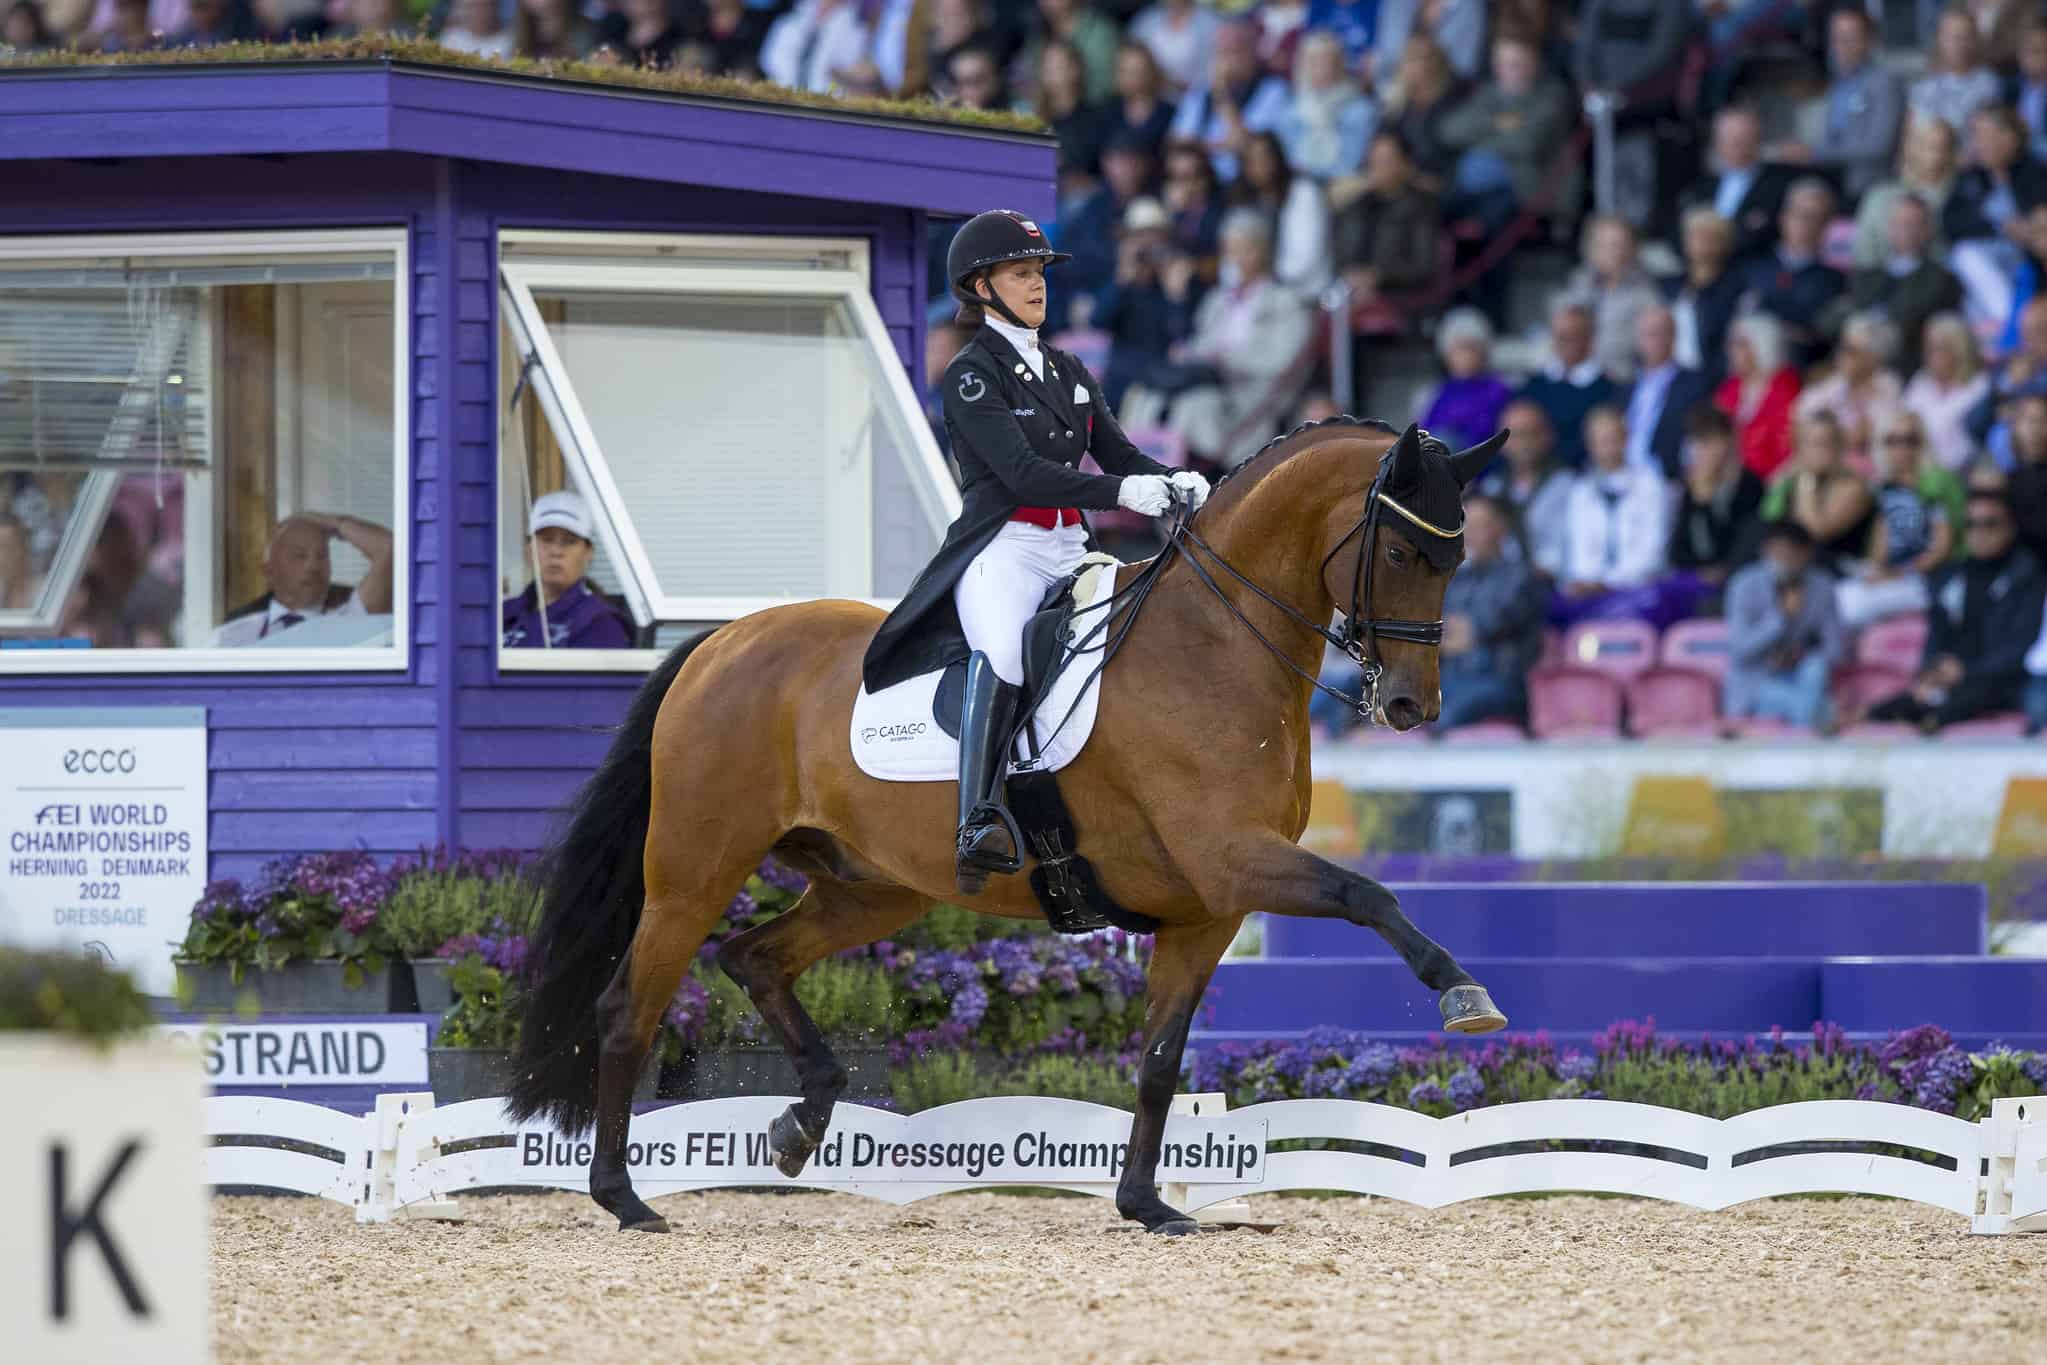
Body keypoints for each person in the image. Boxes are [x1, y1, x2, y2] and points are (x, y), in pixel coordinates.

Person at [861, 211, 1197, 891]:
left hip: (1069, 543)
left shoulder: (1066, 367)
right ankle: (977, 815)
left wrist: (1171, 482)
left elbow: (1117, 452)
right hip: (1004, 547)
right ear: (981, 285)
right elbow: (1023, 475)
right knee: (1007, 650)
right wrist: (1125, 493)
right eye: (1020, 273)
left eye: (1039, 271)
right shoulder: (971, 375)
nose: (1036, 284)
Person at [1864, 491, 2047, 730]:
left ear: (2010, 528)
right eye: (1971, 524)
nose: (1979, 533)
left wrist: (1966, 672)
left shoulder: (2028, 576)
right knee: (1900, 704)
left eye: (1989, 524)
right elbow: (1936, 634)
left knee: (1985, 698)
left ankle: (1932, 721)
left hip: (2006, 680)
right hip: (1955, 678)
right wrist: (1932, 671)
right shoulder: (1952, 576)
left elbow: (2021, 647)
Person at [1163, 209, 1315, 468]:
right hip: (1210, 381)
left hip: (1252, 390)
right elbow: (1203, 344)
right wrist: (1190, 353)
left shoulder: (1286, 302)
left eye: (1243, 250)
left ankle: (1186, 484)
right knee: (1148, 395)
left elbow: (1282, 363)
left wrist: (1224, 359)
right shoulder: (1218, 299)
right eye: (1229, 251)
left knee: (1190, 407)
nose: (1234, 259)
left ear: (1262, 252)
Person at [1436, 32, 1581, 235]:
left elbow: (1526, 143)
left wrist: (1476, 139)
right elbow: (1448, 132)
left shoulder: (1553, 96)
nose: (1510, 70)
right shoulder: (1488, 94)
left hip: (1522, 190)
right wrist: (1496, 123)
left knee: (1493, 223)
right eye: (1504, 63)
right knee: (1431, 210)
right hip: (1467, 190)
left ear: (1534, 63)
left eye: (1518, 63)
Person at [1835, 408, 1962, 630]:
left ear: (1921, 442)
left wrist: (1897, 575)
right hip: (1896, 575)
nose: (1901, 448)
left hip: (1928, 578)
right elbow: (1881, 540)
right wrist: (1876, 571)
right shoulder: (1885, 486)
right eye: (1893, 440)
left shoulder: (1935, 482)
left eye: (1909, 440)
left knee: (1849, 606)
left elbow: (1941, 547)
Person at [1766, 7, 1905, 201]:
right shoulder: (1836, 83)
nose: (1842, 46)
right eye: (1837, 38)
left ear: (1869, 40)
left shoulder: (1884, 83)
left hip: (1864, 185)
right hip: (1828, 177)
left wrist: (1814, 154)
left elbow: (1878, 146)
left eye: (1851, 38)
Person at [1435, 495, 1547, 731]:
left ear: (1500, 529)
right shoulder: (1455, 581)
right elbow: (1439, 633)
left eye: (1480, 526)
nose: (1471, 535)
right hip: (1451, 680)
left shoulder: (1520, 578)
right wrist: (1455, 636)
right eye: (1467, 527)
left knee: (1444, 715)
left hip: (1501, 682)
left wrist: (1461, 635)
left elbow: (1489, 624)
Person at [1552, 406, 1672, 626]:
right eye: (1600, 440)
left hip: (1636, 588)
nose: (1607, 447)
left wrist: (1607, 583)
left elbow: (1653, 553)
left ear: (1626, 439)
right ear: (1590, 445)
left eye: (1613, 438)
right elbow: (1577, 551)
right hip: (1589, 591)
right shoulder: (1580, 491)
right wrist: (1586, 582)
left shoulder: (1651, 486)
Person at [1723, 520, 1846, 732]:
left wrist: (1800, 656)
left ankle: (1813, 724)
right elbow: (1740, 649)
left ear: (1808, 554)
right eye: (1779, 554)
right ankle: (1816, 725)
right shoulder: (1745, 584)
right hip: (1757, 683)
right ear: (1766, 551)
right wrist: (1780, 617)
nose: (1785, 562)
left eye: (1793, 555)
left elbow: (1836, 650)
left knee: (1815, 668)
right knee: (1812, 708)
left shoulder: (1822, 586)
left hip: (1803, 678)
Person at [214, 511, 395, 646]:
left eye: (322, 556)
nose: (314, 566)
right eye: (300, 556)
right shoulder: (232, 636)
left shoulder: (350, 620)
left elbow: (388, 548)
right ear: (269, 571)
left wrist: (332, 523)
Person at [1832, 196, 1960, 379]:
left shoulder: (1941, 278)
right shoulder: (1866, 275)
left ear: (1928, 230)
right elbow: (1844, 309)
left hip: (1902, 347)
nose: (1906, 230)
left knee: (1861, 331)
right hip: (1856, 340)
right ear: (1890, 228)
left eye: (1914, 224)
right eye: (1900, 223)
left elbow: (1919, 316)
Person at [1944, 104, 2047, 331]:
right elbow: (1950, 222)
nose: (1976, 145)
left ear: (2009, 138)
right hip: (1986, 266)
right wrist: (2000, 226)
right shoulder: (1971, 176)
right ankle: (2009, 321)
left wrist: (2028, 230)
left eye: (1982, 136)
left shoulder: (2036, 172)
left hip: (2028, 261)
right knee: (1964, 255)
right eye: (1974, 136)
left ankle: (2011, 325)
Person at [1329, 130, 1441, 321]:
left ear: (1406, 164)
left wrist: (1378, 277)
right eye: (1374, 160)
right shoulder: (1356, 207)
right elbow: (1338, 252)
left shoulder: (1421, 209)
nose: (1378, 168)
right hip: (1350, 292)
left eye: (1386, 161)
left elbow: (1424, 266)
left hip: (1397, 297)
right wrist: (1350, 275)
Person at [501, 491, 633, 650]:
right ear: (529, 549)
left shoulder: (601, 623)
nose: (556, 551)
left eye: (569, 542)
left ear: (588, 553)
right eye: (547, 540)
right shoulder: (502, 614)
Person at [1167, 20, 1289, 183]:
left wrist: (1221, 93)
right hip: (1203, 184)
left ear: (1252, 51)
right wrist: (1219, 146)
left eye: (1236, 50)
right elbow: (1178, 144)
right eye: (1222, 52)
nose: (1228, 60)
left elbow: (1246, 146)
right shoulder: (1200, 93)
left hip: (1248, 183)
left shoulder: (1273, 90)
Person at [1744, 178, 1846, 367]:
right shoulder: (1753, 269)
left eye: (1818, 218)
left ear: (1826, 227)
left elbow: (1819, 335)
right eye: (1801, 214)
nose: (1807, 225)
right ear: (1784, 217)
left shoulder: (1835, 281)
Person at [1668, 403, 1766, 595]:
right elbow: (1677, 551)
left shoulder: (1749, 486)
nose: (1704, 452)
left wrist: (1705, 503)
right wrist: (1699, 501)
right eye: (1698, 443)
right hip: (1693, 577)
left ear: (1728, 441)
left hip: (1734, 580)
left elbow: (1735, 545)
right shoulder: (1692, 487)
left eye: (1710, 441)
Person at [1761, 410, 1875, 572]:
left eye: (1824, 443)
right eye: (1811, 443)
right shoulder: (1790, 482)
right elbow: (1768, 520)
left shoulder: (1854, 487)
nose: (1818, 451)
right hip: (1797, 572)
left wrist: (1807, 480)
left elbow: (1815, 533)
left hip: (1842, 573)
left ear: (1839, 447)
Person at [1684, 106, 1795, 262]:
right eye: (1729, 138)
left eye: (1743, 138)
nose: (1736, 145)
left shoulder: (1779, 184)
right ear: (1717, 142)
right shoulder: (1701, 187)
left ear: (1757, 139)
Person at [1479, 398, 1573, 579]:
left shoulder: (1569, 485)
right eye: (1516, 435)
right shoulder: (1492, 489)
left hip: (1554, 585)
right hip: (1500, 586)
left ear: (1548, 436)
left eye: (1532, 433)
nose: (1524, 443)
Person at [1562, 216, 1663, 383]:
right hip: (1574, 377)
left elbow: (1647, 351)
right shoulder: (1579, 283)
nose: (1612, 252)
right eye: (1602, 245)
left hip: (1618, 380)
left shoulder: (1647, 296)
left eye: (1618, 245)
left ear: (1633, 249)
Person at [1850, 117, 1959, 272]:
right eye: (1925, 144)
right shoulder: (1880, 196)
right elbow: (1864, 252)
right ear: (1910, 147)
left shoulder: (1961, 195)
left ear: (1953, 152)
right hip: (1880, 281)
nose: (1934, 153)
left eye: (1942, 146)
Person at [1520, 300, 1619, 470]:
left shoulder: (1608, 390)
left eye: (1574, 336)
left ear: (1590, 339)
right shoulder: (1533, 386)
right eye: (1561, 336)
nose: (1565, 343)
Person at [1796, 311, 1903, 463]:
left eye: (1851, 351)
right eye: (1842, 348)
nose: (1842, 356)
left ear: (1873, 358)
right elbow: (1801, 419)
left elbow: (1862, 437)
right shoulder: (1833, 383)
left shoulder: (1888, 387)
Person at [1231, 131, 1332, 294]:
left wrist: (1268, 283)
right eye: (1251, 160)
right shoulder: (1242, 202)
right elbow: (1232, 259)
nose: (1259, 165)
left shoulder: (1304, 193)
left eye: (1264, 158)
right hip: (1256, 294)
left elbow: (1305, 258)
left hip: (1303, 292)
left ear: (1278, 158)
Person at [1623, 305, 1713, 477]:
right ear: (1638, 339)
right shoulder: (1625, 387)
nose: (1656, 341)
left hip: (1666, 479)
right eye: (1649, 334)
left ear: (1673, 337)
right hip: (1623, 476)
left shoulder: (1694, 385)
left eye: (1661, 333)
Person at [1277, 29, 1376, 184]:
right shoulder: (1290, 112)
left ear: (1340, 65)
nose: (1323, 69)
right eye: (1314, 62)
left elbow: (1355, 161)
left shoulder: (1361, 110)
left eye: (1328, 61)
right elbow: (1286, 160)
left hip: (1344, 186)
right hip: (1300, 186)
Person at [1716, 312, 1802, 480]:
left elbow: (1788, 445)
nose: (1731, 351)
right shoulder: (1729, 389)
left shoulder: (1786, 387)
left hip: (1772, 480)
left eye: (1740, 345)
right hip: (1731, 481)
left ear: (1761, 346)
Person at [1903, 312, 1993, 471]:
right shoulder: (1920, 382)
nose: (1930, 354)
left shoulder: (1978, 386)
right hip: (1914, 468)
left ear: (1959, 350)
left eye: (1939, 348)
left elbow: (1968, 444)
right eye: (1928, 347)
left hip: (1960, 471)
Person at [1668, 208, 1746, 387]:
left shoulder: (1733, 288)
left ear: (1724, 242)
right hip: (1669, 376)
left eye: (1708, 236)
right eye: (1694, 235)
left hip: (1708, 378)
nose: (1700, 242)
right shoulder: (1671, 284)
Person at [1418, 308, 1513, 454]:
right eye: (1458, 349)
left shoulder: (1498, 390)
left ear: (1484, 352)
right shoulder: (1437, 393)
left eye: (1471, 348)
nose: (1465, 356)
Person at [1911, 5, 2004, 134]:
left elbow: (1984, 137)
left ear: (1975, 41)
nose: (1958, 44)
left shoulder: (1988, 83)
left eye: (1965, 37)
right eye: (1952, 37)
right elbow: (1913, 133)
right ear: (1939, 39)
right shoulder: (1923, 83)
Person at [1127, 0, 1217, 96]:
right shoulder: (1144, 23)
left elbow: (1214, 75)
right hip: (1153, 101)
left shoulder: (1210, 23)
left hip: (1195, 100)